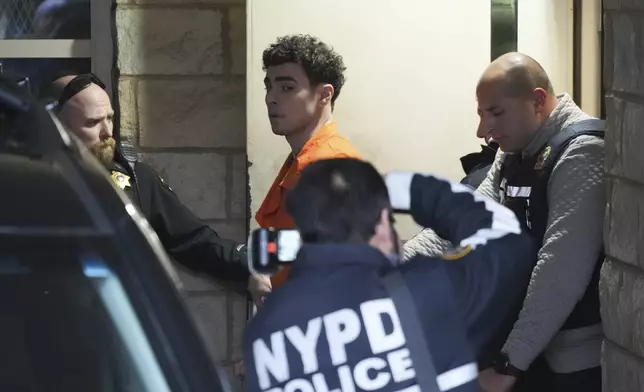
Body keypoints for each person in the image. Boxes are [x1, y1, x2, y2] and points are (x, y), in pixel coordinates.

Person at [243, 157, 536, 392]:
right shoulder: (430, 292)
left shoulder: (264, 335)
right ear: (383, 223)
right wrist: (404, 188)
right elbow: (509, 239)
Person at [404, 52, 605, 392]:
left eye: (496, 113)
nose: (484, 130)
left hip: (570, 361)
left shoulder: (582, 153)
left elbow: (560, 272)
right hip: (524, 347)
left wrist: (508, 365)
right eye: (482, 114)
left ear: (537, 101)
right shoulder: (514, 150)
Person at [46, 73, 252, 288]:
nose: (107, 132)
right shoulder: (27, 181)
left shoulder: (135, 178)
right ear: (56, 125)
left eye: (109, 118)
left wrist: (248, 265)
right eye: (93, 122)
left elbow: (192, 241)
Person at [250, 34, 362, 304]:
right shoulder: (304, 159)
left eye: (287, 88)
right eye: (269, 86)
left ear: (324, 95)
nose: (271, 99)